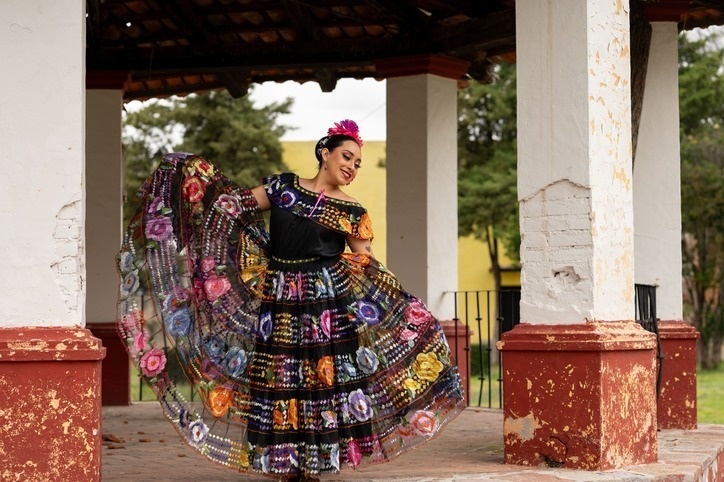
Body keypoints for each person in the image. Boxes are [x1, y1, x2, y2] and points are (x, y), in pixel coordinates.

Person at [116, 119, 465, 481]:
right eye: (347, 156)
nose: (351, 167)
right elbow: (232, 210)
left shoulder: (352, 212)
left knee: (319, 380)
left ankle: (315, 463)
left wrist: (397, 303)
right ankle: (282, 463)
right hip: (279, 298)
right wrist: (194, 186)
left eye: (358, 163)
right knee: (280, 377)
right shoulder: (283, 188)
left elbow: (366, 261)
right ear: (324, 153)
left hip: (325, 306)